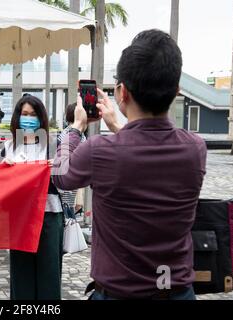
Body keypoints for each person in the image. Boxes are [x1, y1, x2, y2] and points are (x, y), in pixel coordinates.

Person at [52, 29, 207, 300]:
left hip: (119, 293)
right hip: (176, 290)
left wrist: (76, 127)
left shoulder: (100, 151)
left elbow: (61, 176)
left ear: (122, 92)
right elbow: (143, 148)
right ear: (176, 92)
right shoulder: (195, 148)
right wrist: (117, 125)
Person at [0, 94, 64, 300]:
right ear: (17, 117)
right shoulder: (7, 147)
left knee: (49, 271)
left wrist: (55, 168)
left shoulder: (53, 145)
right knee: (21, 272)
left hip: (49, 215)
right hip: (19, 217)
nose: (28, 118)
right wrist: (4, 170)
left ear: (41, 118)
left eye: (33, 114)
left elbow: (66, 181)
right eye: (24, 114)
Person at [57, 103, 87, 219]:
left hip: (68, 190)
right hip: (67, 191)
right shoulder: (74, 135)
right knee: (69, 224)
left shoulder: (66, 133)